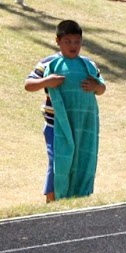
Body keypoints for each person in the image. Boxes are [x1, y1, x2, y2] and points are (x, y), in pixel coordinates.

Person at [25, 19, 105, 202]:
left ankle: (79, 199)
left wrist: (96, 85)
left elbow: (101, 89)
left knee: (81, 160)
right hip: (56, 125)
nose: (73, 46)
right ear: (58, 41)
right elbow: (28, 85)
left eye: (77, 42)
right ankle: (52, 202)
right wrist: (46, 81)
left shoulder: (88, 65)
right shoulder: (48, 63)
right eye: (68, 41)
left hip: (82, 126)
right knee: (58, 162)